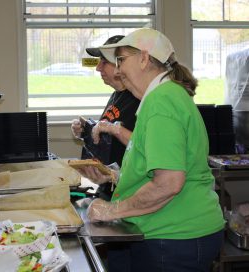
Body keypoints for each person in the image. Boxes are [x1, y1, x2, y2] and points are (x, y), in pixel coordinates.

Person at [81, 28, 225, 272]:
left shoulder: (161, 101)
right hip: (174, 233)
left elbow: (168, 182)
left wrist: (111, 210)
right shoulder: (163, 97)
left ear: (144, 58)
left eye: (121, 61)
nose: (116, 71)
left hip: (175, 235)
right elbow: (157, 166)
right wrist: (114, 176)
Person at [71, 35, 140, 200]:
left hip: (131, 193)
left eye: (104, 62)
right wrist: (87, 131)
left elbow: (144, 145)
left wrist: (113, 128)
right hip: (110, 189)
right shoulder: (116, 95)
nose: (98, 68)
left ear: (121, 64)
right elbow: (109, 142)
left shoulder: (139, 98)